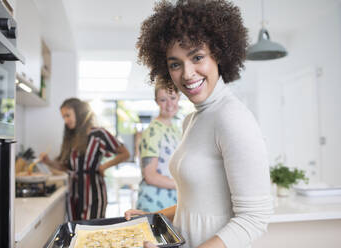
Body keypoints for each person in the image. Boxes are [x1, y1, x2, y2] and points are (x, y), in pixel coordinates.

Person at [125, 1, 273, 248]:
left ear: (219, 53)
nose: (187, 73)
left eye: (197, 57)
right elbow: (192, 201)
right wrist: (155, 216)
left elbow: (254, 218)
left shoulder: (232, 117)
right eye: (175, 64)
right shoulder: (191, 120)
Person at [40, 98, 130, 220]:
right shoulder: (70, 138)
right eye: (63, 117)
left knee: (92, 232)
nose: (66, 120)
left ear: (79, 112)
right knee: (77, 232)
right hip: (74, 195)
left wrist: (104, 166)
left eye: (68, 115)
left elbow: (125, 153)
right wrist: (48, 161)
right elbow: (66, 167)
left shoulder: (99, 134)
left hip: (94, 195)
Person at [136, 83, 181, 212]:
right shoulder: (152, 132)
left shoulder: (175, 129)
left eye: (172, 98)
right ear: (156, 101)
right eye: (163, 100)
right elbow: (150, 176)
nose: (169, 104)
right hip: (154, 203)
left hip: (172, 202)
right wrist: (184, 186)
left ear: (178, 97)